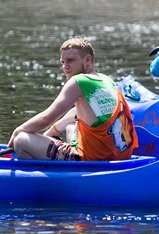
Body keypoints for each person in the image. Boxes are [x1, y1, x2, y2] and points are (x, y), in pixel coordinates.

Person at [8, 37, 137, 161]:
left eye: (70, 60)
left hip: (93, 158)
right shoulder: (106, 80)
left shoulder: (78, 81)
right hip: (120, 155)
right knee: (70, 126)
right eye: (62, 62)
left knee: (21, 140)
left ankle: (46, 178)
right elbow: (76, 113)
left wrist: (17, 131)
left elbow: (46, 119)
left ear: (87, 60)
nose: (65, 67)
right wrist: (53, 130)